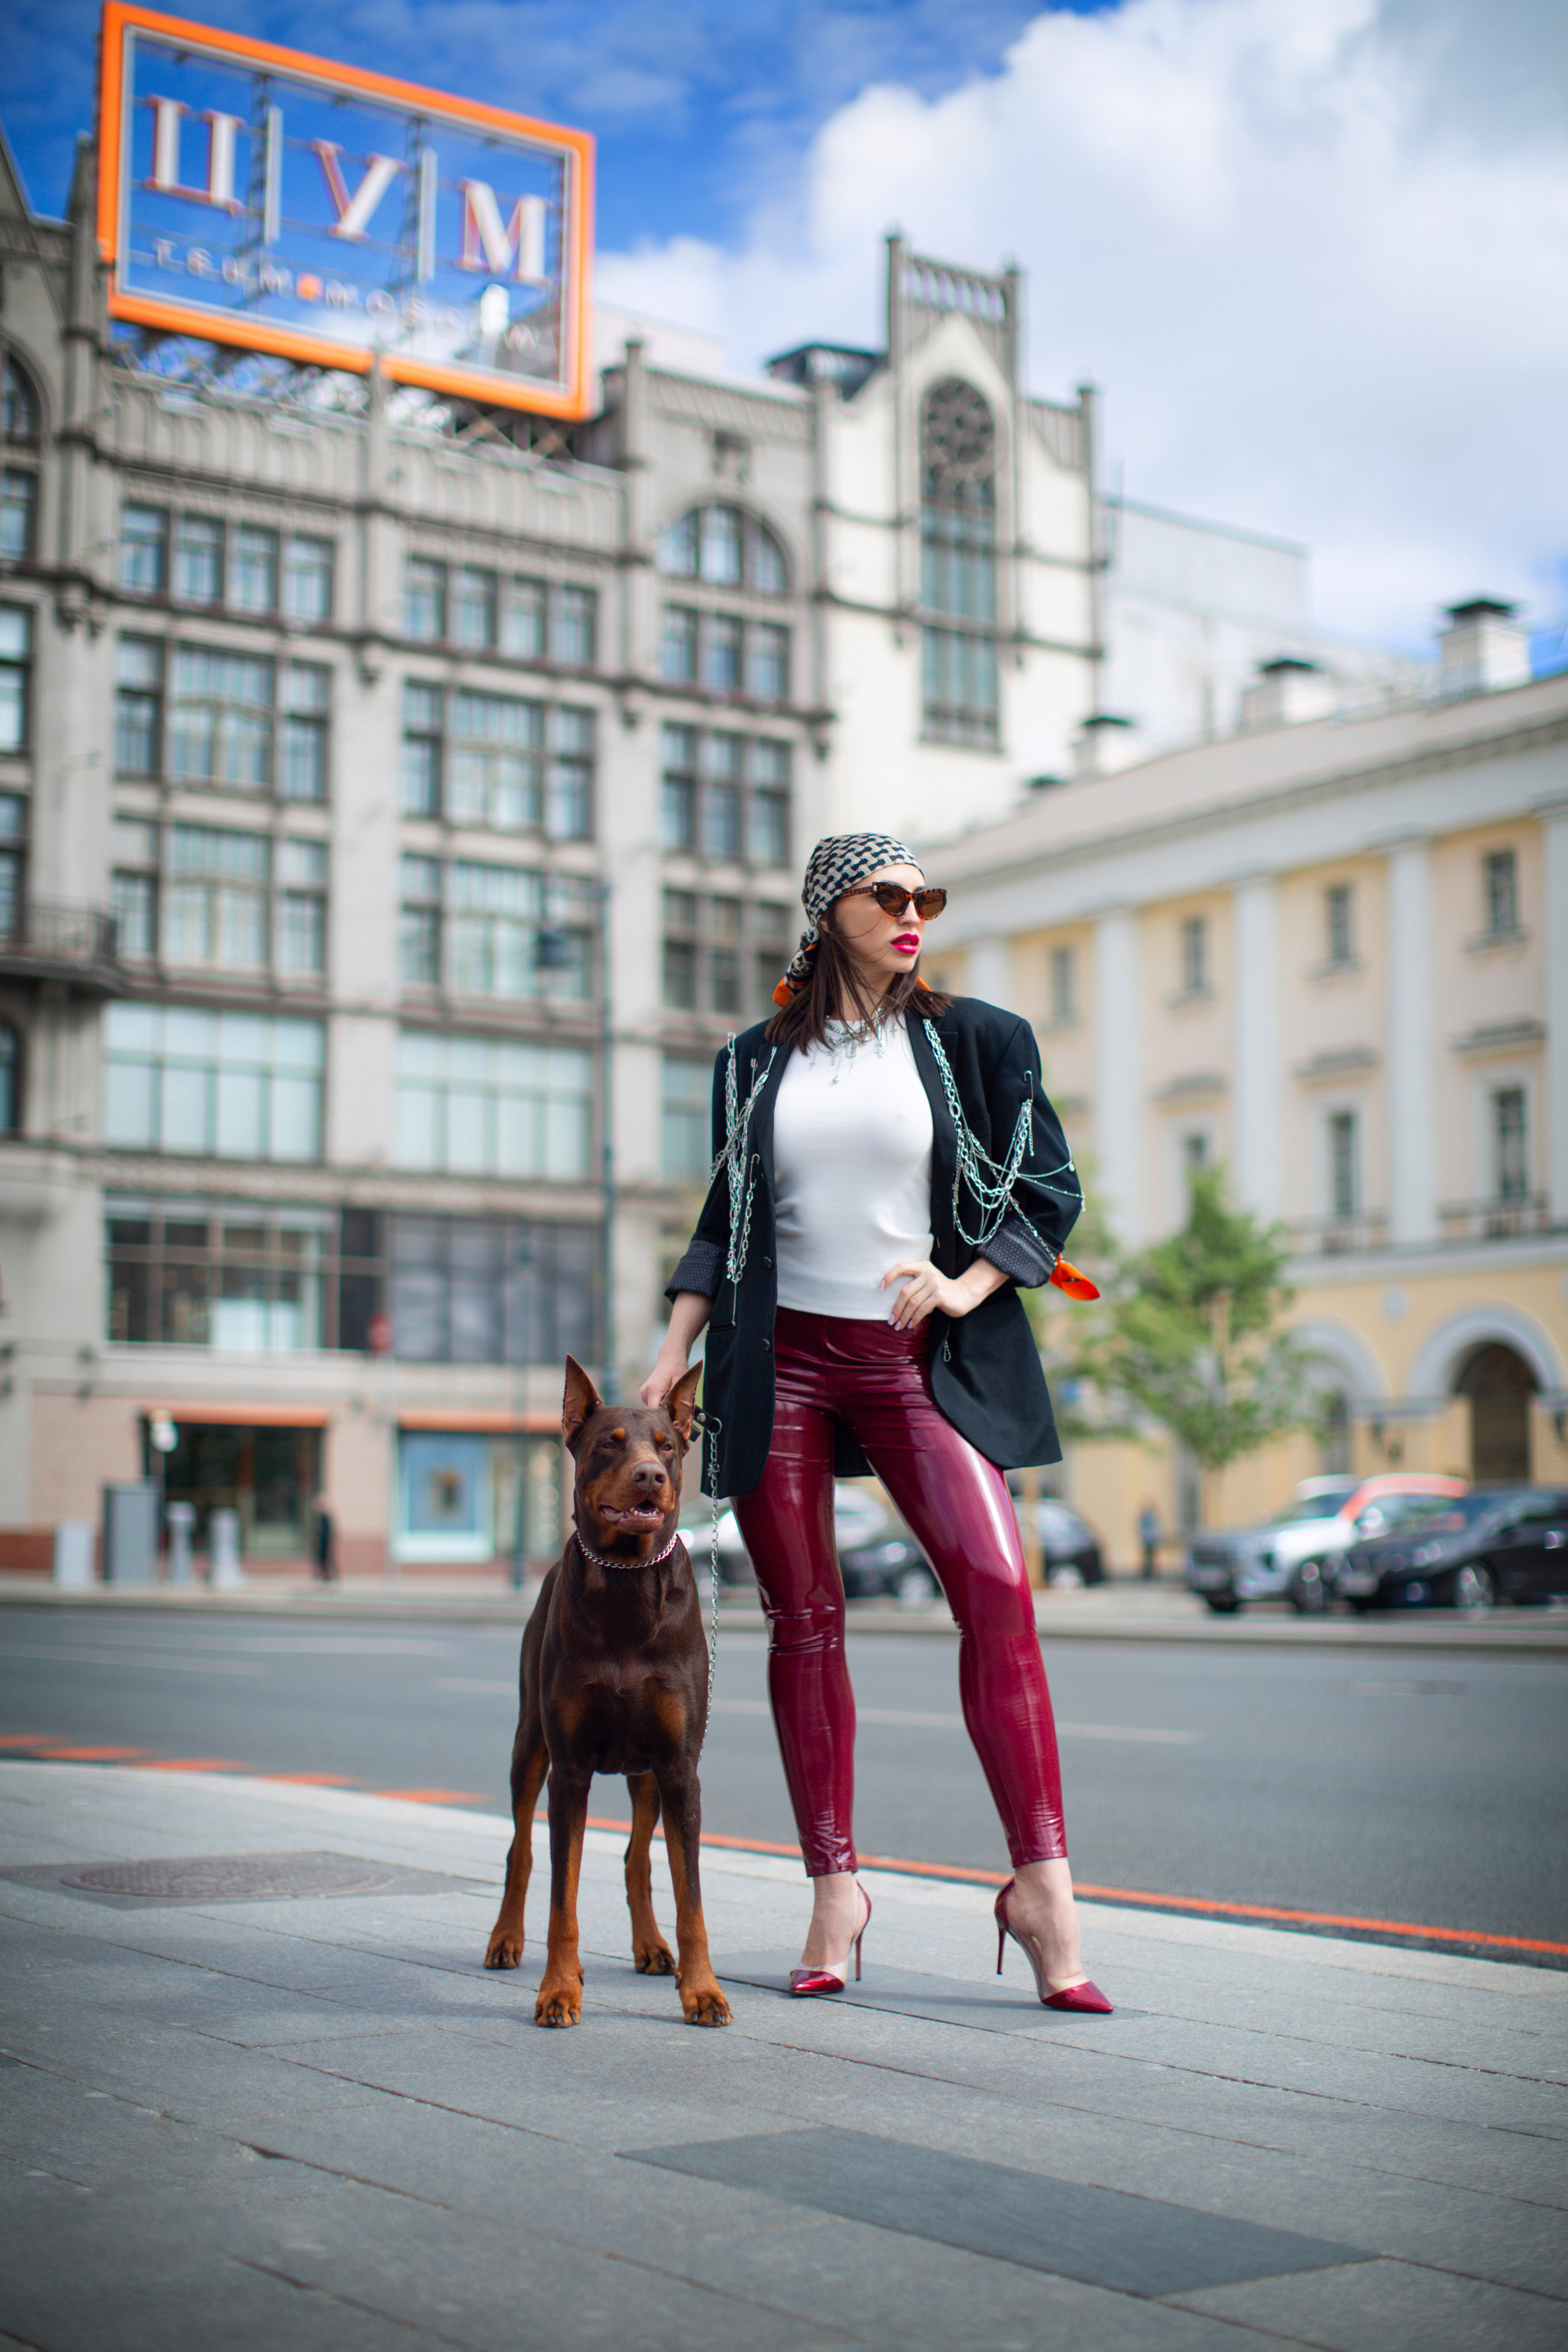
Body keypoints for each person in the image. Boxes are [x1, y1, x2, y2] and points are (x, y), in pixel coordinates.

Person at [641, 833, 1111, 2014]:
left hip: (916, 1361)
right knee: (802, 1622)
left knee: (997, 1592)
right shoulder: (752, 1061)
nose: (913, 913)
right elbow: (724, 1218)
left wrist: (965, 1284)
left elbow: (1048, 1186)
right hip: (778, 1360)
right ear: (825, 913)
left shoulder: (978, 1040)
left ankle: (1044, 1894)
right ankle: (834, 1892)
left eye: (924, 897)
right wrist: (672, 1349)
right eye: (887, 894)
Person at [1138, 1505, 1161, 1581]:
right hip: (1148, 1541)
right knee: (1148, 1557)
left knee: (1151, 1557)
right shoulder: (1147, 1519)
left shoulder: (1149, 1519)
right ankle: (1147, 1572)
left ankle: (1150, 1571)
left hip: (1150, 1541)